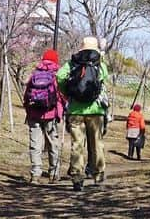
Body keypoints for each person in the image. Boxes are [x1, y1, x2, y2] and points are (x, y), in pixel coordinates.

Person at [56, 36, 109, 191]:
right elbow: (104, 78)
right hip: (96, 110)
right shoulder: (99, 63)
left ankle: (77, 178)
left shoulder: (73, 62)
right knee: (96, 143)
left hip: (75, 110)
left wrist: (68, 93)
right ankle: (98, 175)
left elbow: (59, 76)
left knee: (77, 144)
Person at [23, 48, 65, 183]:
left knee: (35, 144)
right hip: (50, 114)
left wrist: (28, 109)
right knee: (53, 143)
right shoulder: (57, 75)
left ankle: (35, 174)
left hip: (34, 113)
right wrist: (62, 112)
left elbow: (27, 94)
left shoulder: (35, 73)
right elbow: (60, 96)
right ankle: (54, 173)